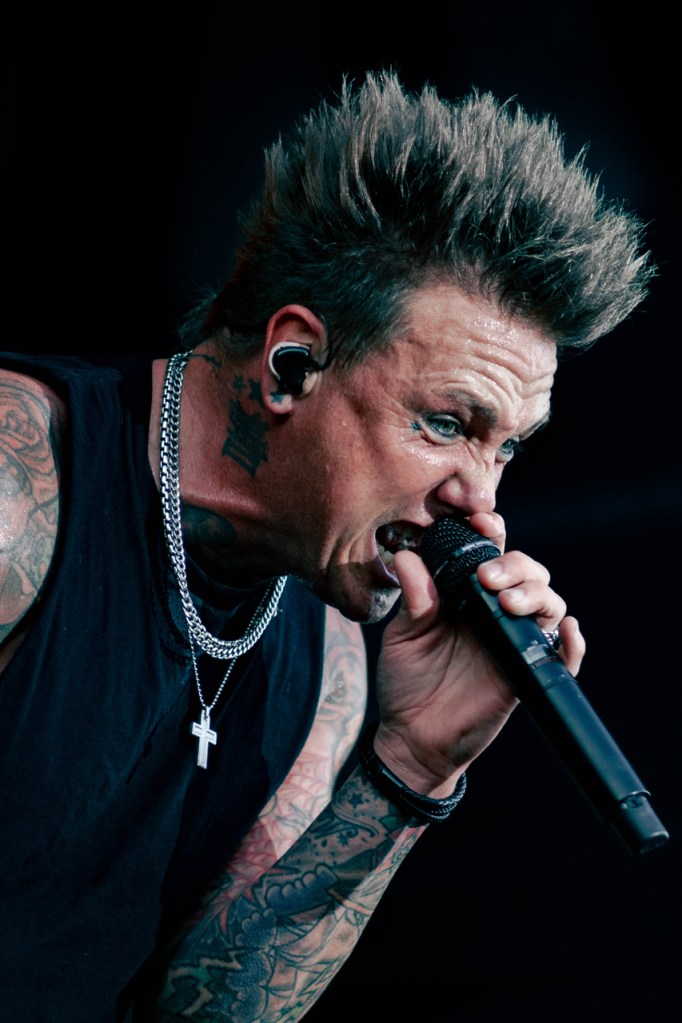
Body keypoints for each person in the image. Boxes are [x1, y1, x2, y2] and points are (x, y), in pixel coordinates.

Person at [0, 70, 653, 1021]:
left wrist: (411, 772)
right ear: (291, 363)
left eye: (507, 446)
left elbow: (205, 1011)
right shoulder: (21, 488)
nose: (481, 502)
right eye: (446, 423)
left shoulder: (335, 662)